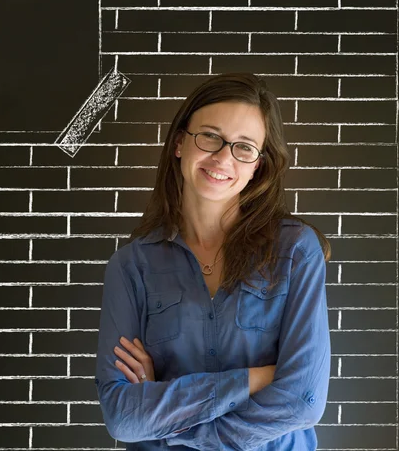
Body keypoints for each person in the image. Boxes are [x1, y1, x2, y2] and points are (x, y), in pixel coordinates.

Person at [94, 72, 332, 450]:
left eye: (245, 147)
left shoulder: (296, 250)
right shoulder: (131, 266)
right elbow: (123, 417)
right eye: (210, 136)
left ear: (258, 165)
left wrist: (170, 418)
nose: (223, 157)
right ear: (178, 143)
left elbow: (302, 402)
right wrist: (252, 379)